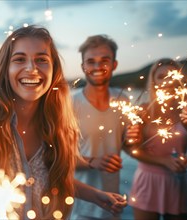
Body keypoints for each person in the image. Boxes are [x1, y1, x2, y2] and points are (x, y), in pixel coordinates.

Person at [0, 26, 126, 220]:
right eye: (19, 59)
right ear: (5, 69)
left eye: (41, 60)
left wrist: (96, 195)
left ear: (53, 70)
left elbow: (55, 180)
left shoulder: (59, 127)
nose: (31, 68)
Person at [71, 34, 141, 220]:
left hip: (114, 204)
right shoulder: (70, 104)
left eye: (104, 61)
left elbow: (129, 145)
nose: (97, 67)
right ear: (83, 67)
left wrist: (136, 137)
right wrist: (93, 161)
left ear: (114, 65)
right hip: (80, 207)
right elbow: (56, 157)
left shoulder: (122, 99)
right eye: (91, 61)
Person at [128, 58, 187, 220]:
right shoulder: (143, 111)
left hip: (177, 182)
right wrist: (164, 161)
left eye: (171, 75)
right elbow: (133, 150)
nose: (167, 81)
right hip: (147, 182)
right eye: (161, 76)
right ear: (153, 82)